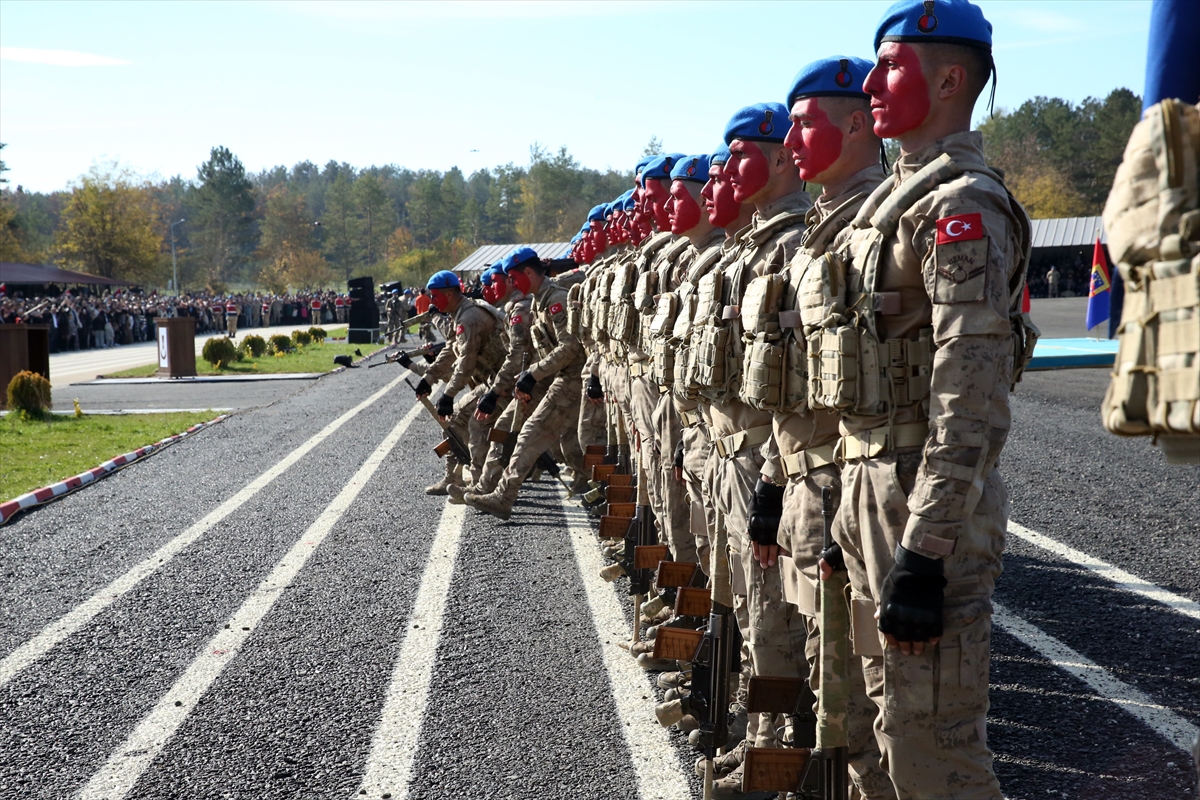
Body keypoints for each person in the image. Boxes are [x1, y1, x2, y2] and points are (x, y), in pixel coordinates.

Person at [813, 2, 1033, 795]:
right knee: (882, 724)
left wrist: (926, 547)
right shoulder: (892, 203)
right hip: (869, 487)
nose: (871, 82)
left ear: (948, 79)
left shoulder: (958, 205)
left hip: (919, 502)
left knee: (934, 750)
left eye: (891, 65)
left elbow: (969, 392)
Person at [464, 247, 589, 519]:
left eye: (514, 277)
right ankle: (495, 490)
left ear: (529, 273)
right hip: (554, 376)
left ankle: (503, 496)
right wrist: (531, 377)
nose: (512, 284)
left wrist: (532, 374)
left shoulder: (555, 299)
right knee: (527, 431)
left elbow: (569, 348)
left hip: (572, 376)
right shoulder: (540, 301)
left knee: (533, 433)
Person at [405, 270, 508, 495]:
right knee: (456, 420)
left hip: (505, 382)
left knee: (476, 423)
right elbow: (451, 351)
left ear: (449, 294)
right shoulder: (460, 314)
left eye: (435, 296)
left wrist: (448, 395)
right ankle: (454, 477)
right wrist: (429, 378)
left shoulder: (469, 318)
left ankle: (481, 486)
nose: (431, 302)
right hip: (494, 380)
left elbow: (466, 362)